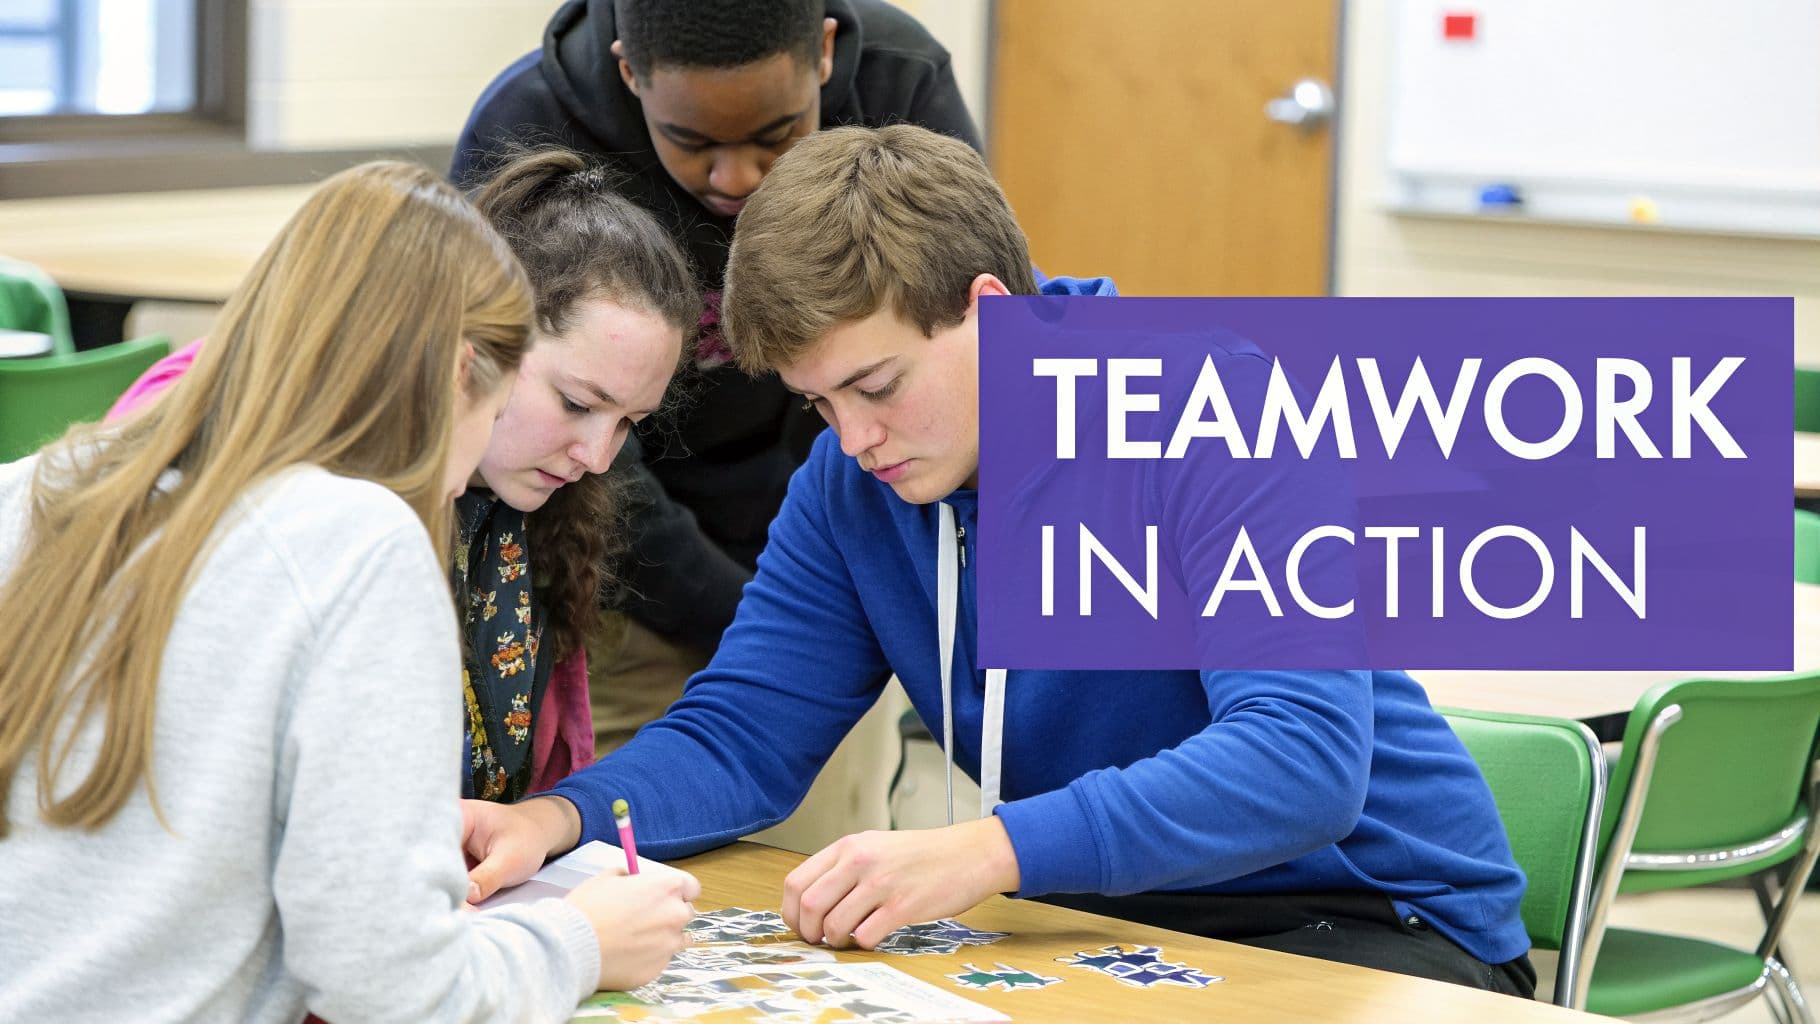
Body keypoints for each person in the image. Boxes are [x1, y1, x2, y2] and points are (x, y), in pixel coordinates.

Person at [459, 126, 1538, 997]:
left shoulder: (1219, 416)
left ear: (991, 312)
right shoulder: (853, 484)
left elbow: (1298, 760)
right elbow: (744, 731)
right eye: (817, 403)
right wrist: (553, 818)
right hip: (1105, 923)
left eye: (876, 386)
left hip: (1370, 924)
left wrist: (987, 850)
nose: (854, 437)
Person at [0, 162, 698, 1023]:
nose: (595, 458)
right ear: (459, 370)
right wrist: (577, 941)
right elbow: (389, 986)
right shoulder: (364, 543)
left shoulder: (37, 485)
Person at [452, 0, 982, 752]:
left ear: (824, 54)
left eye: (777, 133)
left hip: (831, 577)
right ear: (629, 73)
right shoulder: (529, 124)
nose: (738, 176)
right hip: (621, 570)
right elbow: (589, 466)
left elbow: (970, 338)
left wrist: (810, 611)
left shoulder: (903, 79)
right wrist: (751, 626)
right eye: (690, 140)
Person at [108, 147, 702, 802]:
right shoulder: (279, 479)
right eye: (577, 404)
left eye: (628, 423)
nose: (597, 457)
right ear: (479, 343)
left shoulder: (541, 512)